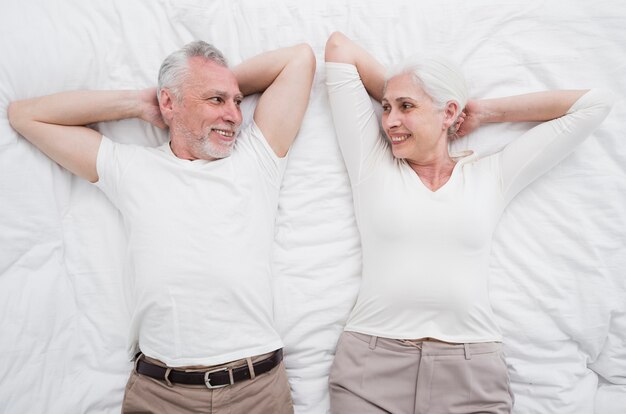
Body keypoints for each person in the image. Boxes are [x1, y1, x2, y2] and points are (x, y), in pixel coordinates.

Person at [8, 40, 315, 414]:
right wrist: (140, 103)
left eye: (237, 101)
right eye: (217, 100)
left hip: (256, 388)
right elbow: (25, 116)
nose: (235, 115)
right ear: (169, 103)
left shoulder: (256, 159)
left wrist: (214, 89)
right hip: (162, 394)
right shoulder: (131, 168)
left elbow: (299, 59)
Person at [324, 31, 613, 414]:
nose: (389, 121)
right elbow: (339, 48)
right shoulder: (372, 165)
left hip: (469, 369)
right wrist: (406, 95)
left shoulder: (491, 174)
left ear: (448, 113)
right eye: (386, 106)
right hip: (371, 365)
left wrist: (483, 113)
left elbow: (594, 104)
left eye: (405, 106)